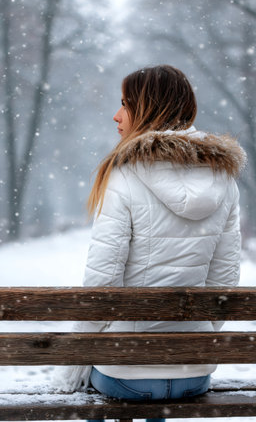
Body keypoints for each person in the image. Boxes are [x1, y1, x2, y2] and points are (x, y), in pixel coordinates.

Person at [53, 65, 246, 422]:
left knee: (110, 386)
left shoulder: (125, 175)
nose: (116, 115)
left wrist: (79, 355)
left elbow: (102, 286)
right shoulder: (224, 180)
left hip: (126, 376)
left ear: (149, 109)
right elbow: (224, 283)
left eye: (125, 103)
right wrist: (189, 345)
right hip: (194, 375)